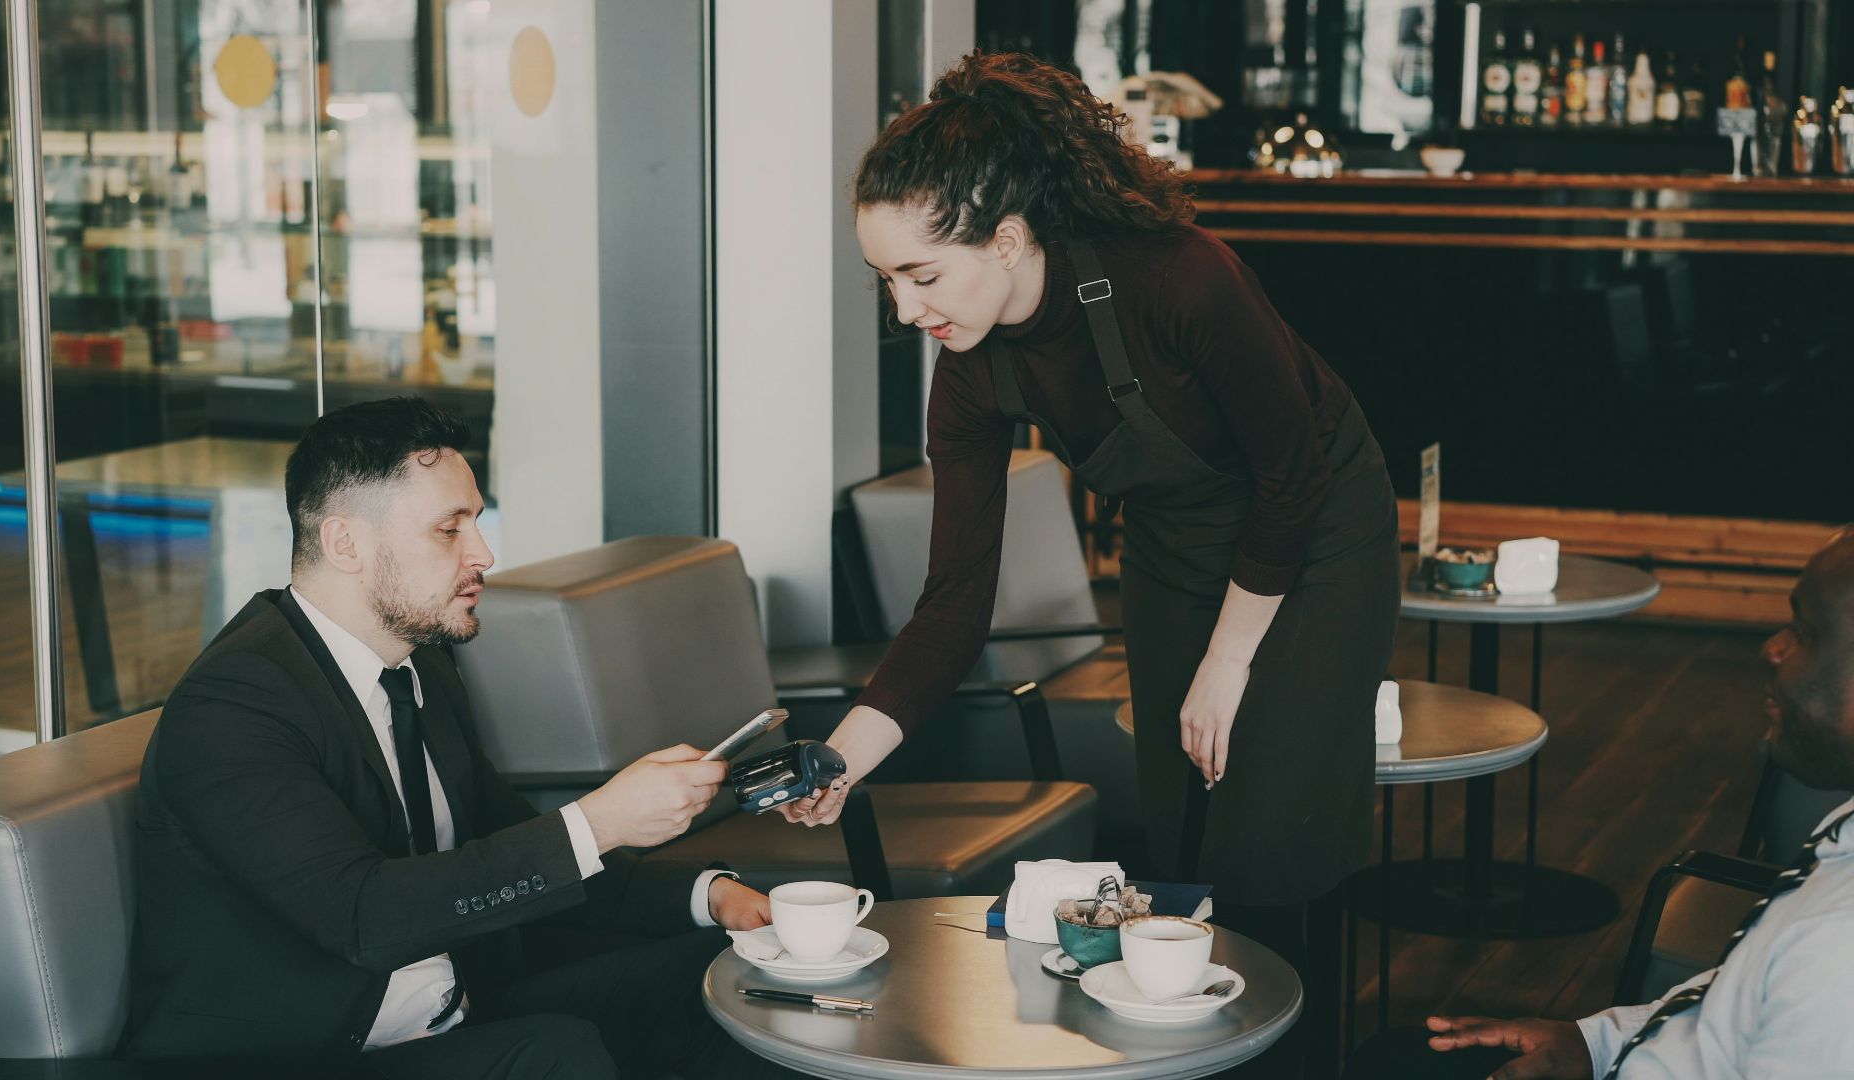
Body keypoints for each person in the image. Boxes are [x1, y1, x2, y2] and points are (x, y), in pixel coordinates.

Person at [785, 51, 1400, 976]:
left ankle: (1286, 1027)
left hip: (1318, 526)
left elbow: (1292, 476)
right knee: (1184, 815)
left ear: (1003, 239)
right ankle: (1187, 1018)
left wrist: (1227, 662)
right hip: (1176, 540)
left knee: (1270, 820)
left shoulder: (1180, 278)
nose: (905, 310)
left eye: (922, 276)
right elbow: (955, 600)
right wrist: (843, 756)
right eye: (888, 282)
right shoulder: (967, 377)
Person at [123, 397, 788, 1079]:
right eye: (450, 528)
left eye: (476, 520)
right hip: (304, 1054)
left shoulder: (421, 668)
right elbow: (364, 916)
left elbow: (506, 842)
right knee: (555, 1055)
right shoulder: (236, 706)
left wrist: (709, 897)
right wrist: (599, 820)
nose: (484, 553)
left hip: (451, 1014)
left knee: (720, 980)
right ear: (344, 543)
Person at [1343, 530, 1854, 1080]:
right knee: (1399, 1058)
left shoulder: (1838, 954)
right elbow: (1735, 1002)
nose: (1773, 648)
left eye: (1803, 632)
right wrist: (1593, 1042)